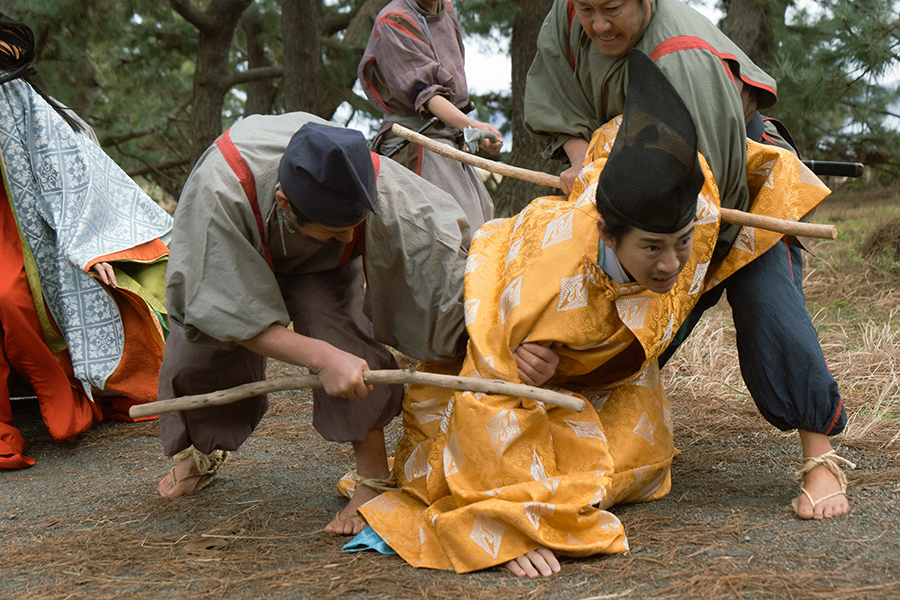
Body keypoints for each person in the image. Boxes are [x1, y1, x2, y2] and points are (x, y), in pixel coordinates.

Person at [352, 49, 832, 577]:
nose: (673, 264)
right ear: (608, 232)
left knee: (641, 462)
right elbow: (490, 394)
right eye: (652, 248)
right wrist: (514, 521)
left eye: (681, 244)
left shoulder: (693, 206)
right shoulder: (547, 297)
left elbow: (618, 143)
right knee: (561, 476)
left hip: (604, 356)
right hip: (511, 335)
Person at [524, 0, 850, 521]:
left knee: (770, 309)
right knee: (620, 328)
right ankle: (578, 442)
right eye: (587, 9)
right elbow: (559, 89)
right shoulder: (570, 16)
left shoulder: (681, 60)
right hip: (625, 190)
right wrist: (585, 164)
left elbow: (695, 202)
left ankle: (821, 460)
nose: (599, 24)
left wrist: (660, 257)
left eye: (611, 9)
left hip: (728, 188)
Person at [156, 111, 484, 536]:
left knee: (345, 342)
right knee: (197, 356)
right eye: (337, 230)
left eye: (354, 228)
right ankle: (200, 450)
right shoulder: (219, 190)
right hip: (234, 246)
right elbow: (219, 307)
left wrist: (484, 329)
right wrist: (320, 359)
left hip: (320, 263)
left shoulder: (370, 179)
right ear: (285, 203)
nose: (350, 239)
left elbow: (443, 251)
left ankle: (372, 479)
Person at [0, 14, 173, 470]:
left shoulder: (27, 106)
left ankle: (60, 395)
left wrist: (93, 246)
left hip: (20, 234)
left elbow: (75, 180)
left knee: (11, 298)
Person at [358, 0, 501, 229]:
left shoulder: (445, 9)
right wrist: (472, 126)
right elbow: (426, 95)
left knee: (484, 231)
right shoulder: (393, 21)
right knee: (456, 236)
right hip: (418, 146)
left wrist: (469, 129)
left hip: (450, 143)